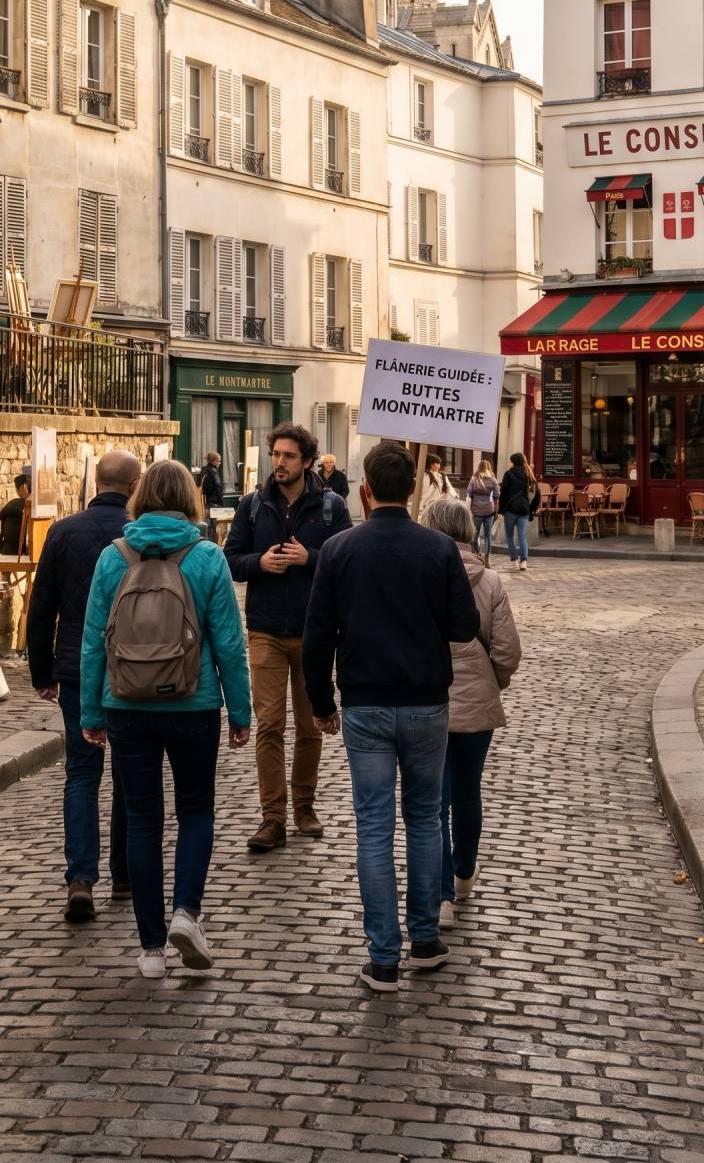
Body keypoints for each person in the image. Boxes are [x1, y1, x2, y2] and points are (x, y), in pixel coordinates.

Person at [303, 441, 479, 993]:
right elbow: (464, 627)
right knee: (425, 818)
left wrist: (321, 703)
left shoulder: (337, 550)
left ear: (365, 490)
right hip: (427, 702)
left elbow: (316, 638)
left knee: (375, 825)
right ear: (415, 490)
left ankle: (384, 956)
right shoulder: (439, 549)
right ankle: (424, 938)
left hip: (366, 702)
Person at [80, 459, 252, 978]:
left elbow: (93, 643)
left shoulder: (113, 558)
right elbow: (228, 642)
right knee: (196, 811)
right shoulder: (206, 557)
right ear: (191, 499)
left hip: (127, 704)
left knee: (142, 820)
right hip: (193, 704)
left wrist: (91, 712)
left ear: (140, 497)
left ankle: (152, 948)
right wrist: (239, 710)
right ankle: (186, 912)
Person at [26, 450, 141, 923]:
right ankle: (124, 876)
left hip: (75, 668)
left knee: (81, 770)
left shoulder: (63, 531)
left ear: (98, 481)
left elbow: (41, 607)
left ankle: (80, 878)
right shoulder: (137, 535)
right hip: (133, 670)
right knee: (128, 774)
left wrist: (41, 672)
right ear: (134, 485)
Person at [224, 423, 350, 851]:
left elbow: (347, 565)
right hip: (265, 631)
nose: (279, 462)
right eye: (276, 454)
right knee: (270, 726)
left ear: (308, 462)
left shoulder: (332, 508)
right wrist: (259, 563)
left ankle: (304, 807)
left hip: (315, 633)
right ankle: (272, 816)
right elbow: (231, 561)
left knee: (310, 727)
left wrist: (309, 558)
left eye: (289, 456)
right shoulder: (253, 506)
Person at [422, 498, 521, 927]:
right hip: (477, 700)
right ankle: (464, 873)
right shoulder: (491, 580)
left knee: (435, 800)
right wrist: (494, 681)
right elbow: (507, 650)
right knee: (468, 792)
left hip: (427, 699)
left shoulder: (418, 577)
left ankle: (442, 895)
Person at [499, 452, 539, 571]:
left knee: (510, 536)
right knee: (522, 536)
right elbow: (537, 493)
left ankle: (514, 560)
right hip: (524, 510)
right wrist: (532, 509)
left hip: (510, 509)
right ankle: (524, 561)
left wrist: (501, 510)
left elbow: (503, 493)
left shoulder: (508, 473)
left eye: (510, 460)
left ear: (513, 462)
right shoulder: (529, 474)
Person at [465, 459, 500, 562]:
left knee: (474, 535)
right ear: (489, 468)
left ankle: (477, 554)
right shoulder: (493, 480)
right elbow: (497, 495)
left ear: (479, 468)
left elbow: (469, 493)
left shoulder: (474, 479)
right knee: (487, 536)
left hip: (476, 511)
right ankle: (487, 558)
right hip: (489, 511)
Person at [0, 466, 30, 558]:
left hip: (9, 550)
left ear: (24, 487)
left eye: (17, 489)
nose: (17, 492)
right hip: (17, 551)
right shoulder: (17, 504)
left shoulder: (16, 504)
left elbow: (2, 514)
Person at [197, 451, 224, 537]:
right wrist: (220, 502)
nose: (219, 463)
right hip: (213, 503)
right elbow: (218, 487)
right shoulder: (213, 472)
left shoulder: (203, 470)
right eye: (219, 461)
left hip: (205, 503)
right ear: (214, 461)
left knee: (207, 525)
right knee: (214, 527)